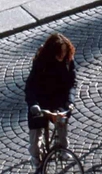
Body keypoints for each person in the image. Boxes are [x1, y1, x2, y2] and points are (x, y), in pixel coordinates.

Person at [25, 33, 77, 170]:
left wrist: (70, 101)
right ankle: (36, 158)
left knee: (62, 119)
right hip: (40, 100)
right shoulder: (41, 61)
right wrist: (33, 104)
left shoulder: (68, 60)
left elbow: (72, 83)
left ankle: (63, 149)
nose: (62, 55)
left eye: (65, 52)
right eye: (60, 52)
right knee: (36, 137)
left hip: (58, 99)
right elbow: (31, 85)